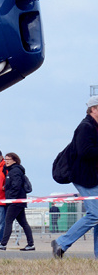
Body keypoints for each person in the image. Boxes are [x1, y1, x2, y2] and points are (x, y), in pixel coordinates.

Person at [52, 95, 98, 259]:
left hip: (93, 177)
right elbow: (85, 151)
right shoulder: (85, 127)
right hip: (84, 177)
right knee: (95, 215)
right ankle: (61, 242)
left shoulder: (94, 127)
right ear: (93, 109)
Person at [0, 152, 34, 251]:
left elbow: (16, 186)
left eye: (8, 160)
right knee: (24, 223)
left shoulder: (15, 171)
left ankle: (3, 244)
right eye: (6, 159)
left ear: (14, 160)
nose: (6, 161)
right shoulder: (11, 171)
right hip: (17, 201)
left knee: (8, 221)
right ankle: (31, 244)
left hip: (15, 201)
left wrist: (11, 198)